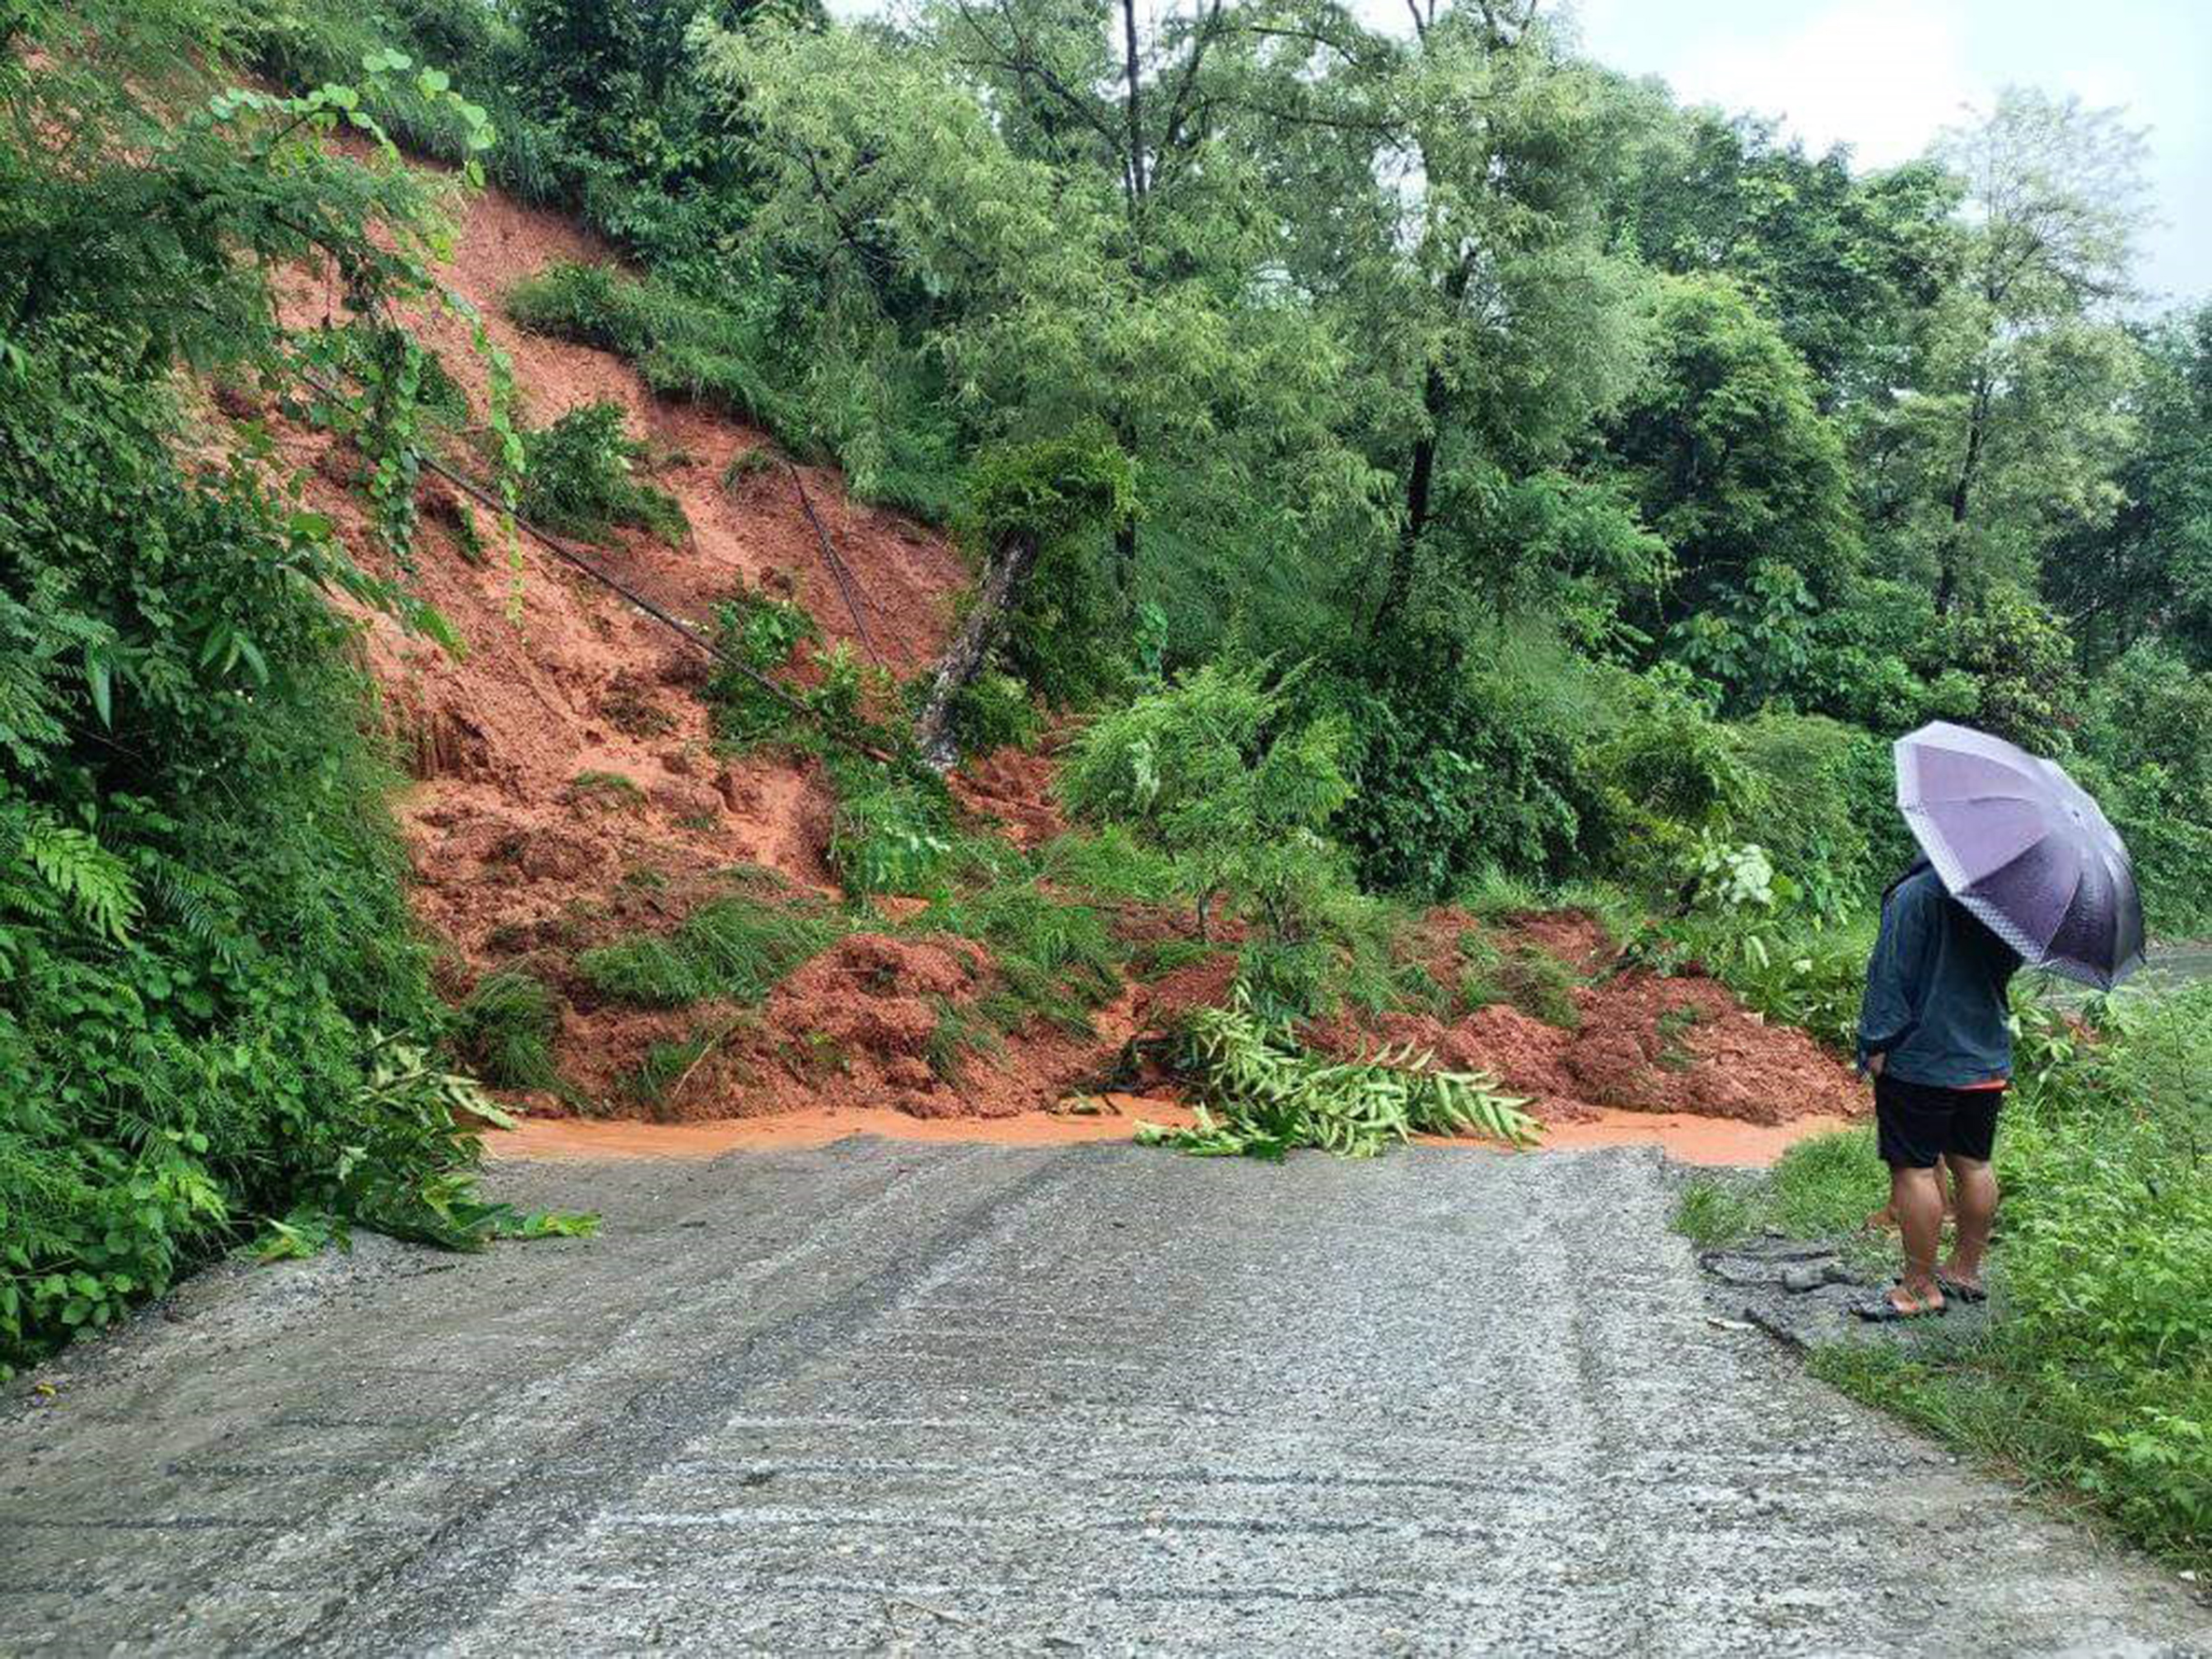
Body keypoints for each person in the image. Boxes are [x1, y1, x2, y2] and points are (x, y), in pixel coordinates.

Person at [1853, 857, 2022, 1320]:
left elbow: (1889, 974)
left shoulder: (1917, 894)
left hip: (1922, 1056)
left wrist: (1877, 1042)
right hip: (1985, 1055)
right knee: (1974, 1163)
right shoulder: (2007, 900)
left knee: (1914, 1170)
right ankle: (1965, 1271)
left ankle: (1919, 1288)